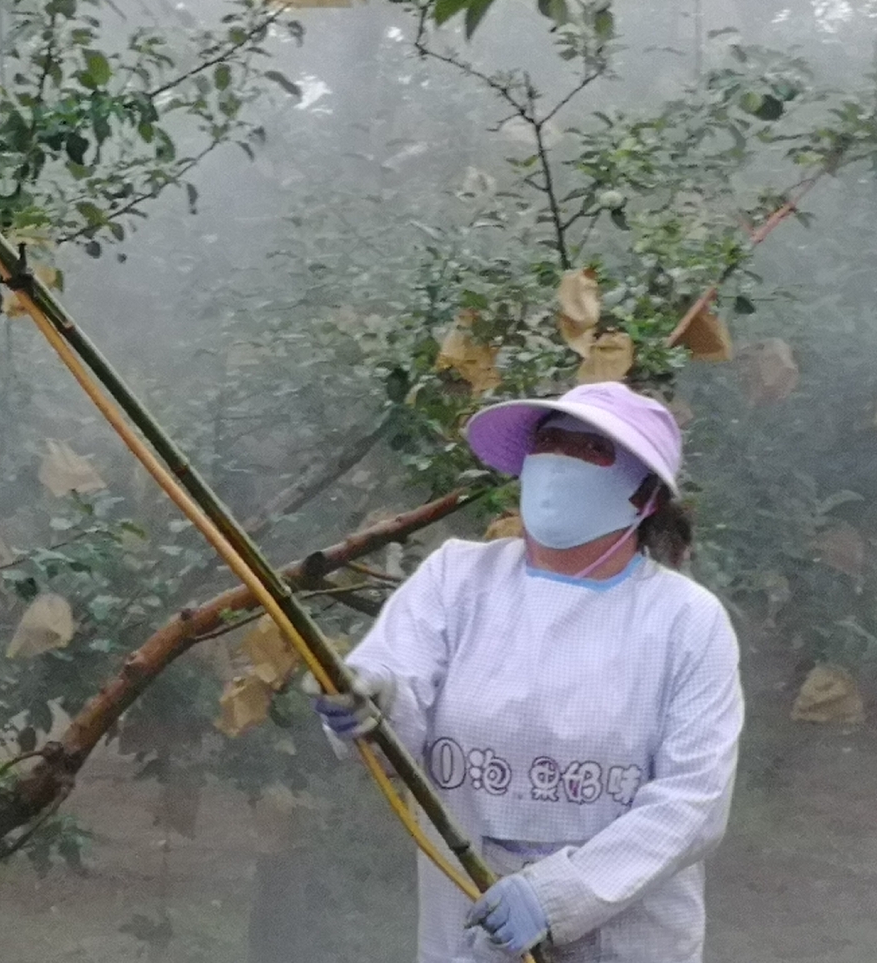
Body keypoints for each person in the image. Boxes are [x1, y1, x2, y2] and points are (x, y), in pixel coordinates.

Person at [313, 381, 742, 962]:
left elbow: (692, 802)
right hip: (467, 937)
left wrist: (557, 896)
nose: (559, 461)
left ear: (645, 492)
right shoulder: (455, 579)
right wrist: (374, 699)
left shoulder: (687, 621)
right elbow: (395, 693)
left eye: (591, 449)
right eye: (549, 442)